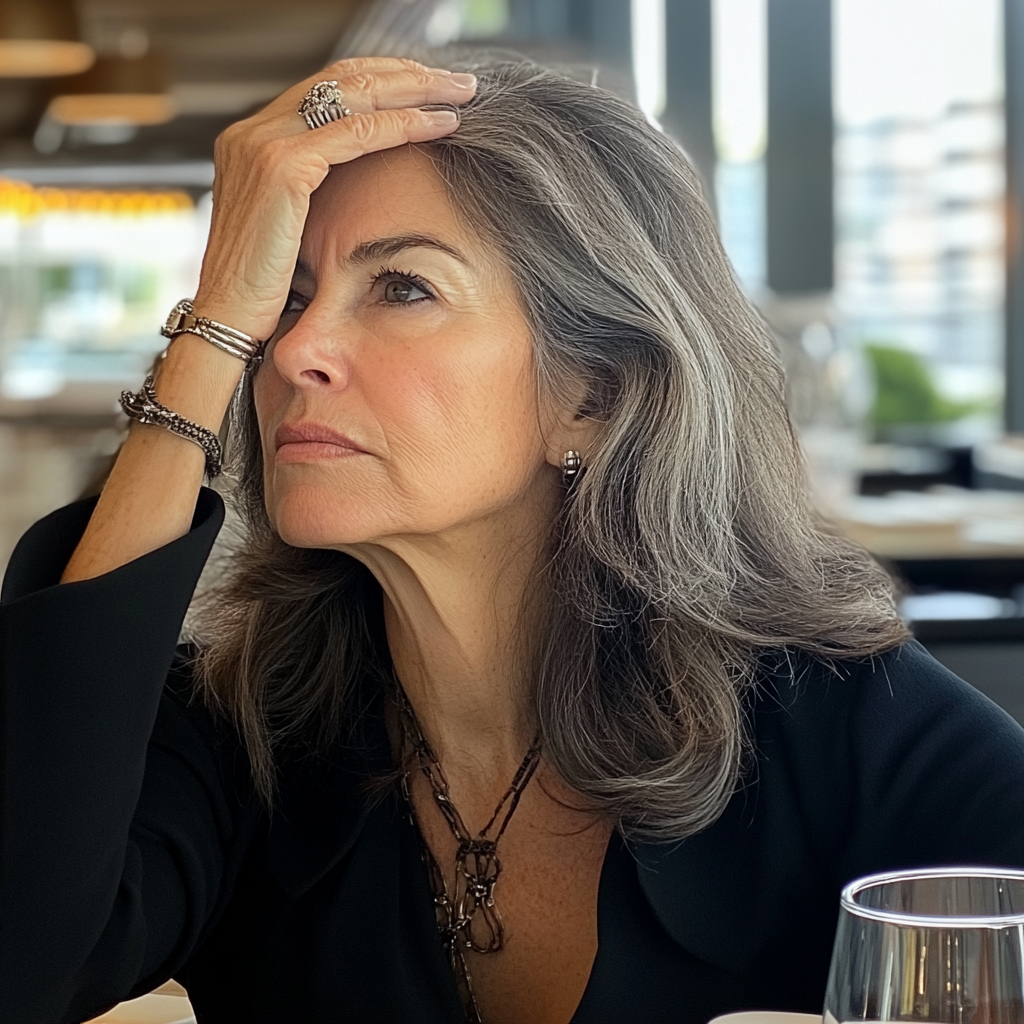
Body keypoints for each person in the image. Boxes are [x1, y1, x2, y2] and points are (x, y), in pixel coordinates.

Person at [2, 54, 1024, 1024]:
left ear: (593, 395)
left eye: (403, 287)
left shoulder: (841, 728)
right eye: (286, 298)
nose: (294, 350)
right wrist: (213, 319)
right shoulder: (241, 734)